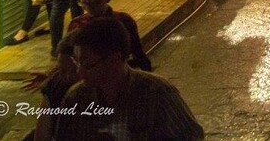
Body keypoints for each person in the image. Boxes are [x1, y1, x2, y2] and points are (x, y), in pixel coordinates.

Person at [53, 17, 204, 140]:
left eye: (87, 65)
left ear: (114, 60)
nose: (79, 72)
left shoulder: (157, 93)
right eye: (77, 62)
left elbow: (192, 137)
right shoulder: (76, 98)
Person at [68, 0, 152, 71]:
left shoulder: (124, 21)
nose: (88, 8)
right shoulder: (77, 24)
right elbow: (68, 57)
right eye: (83, 2)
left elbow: (138, 53)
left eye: (95, 3)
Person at [32, 32, 80, 141]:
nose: (67, 77)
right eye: (62, 70)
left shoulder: (100, 90)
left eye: (73, 71)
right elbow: (42, 135)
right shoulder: (55, 86)